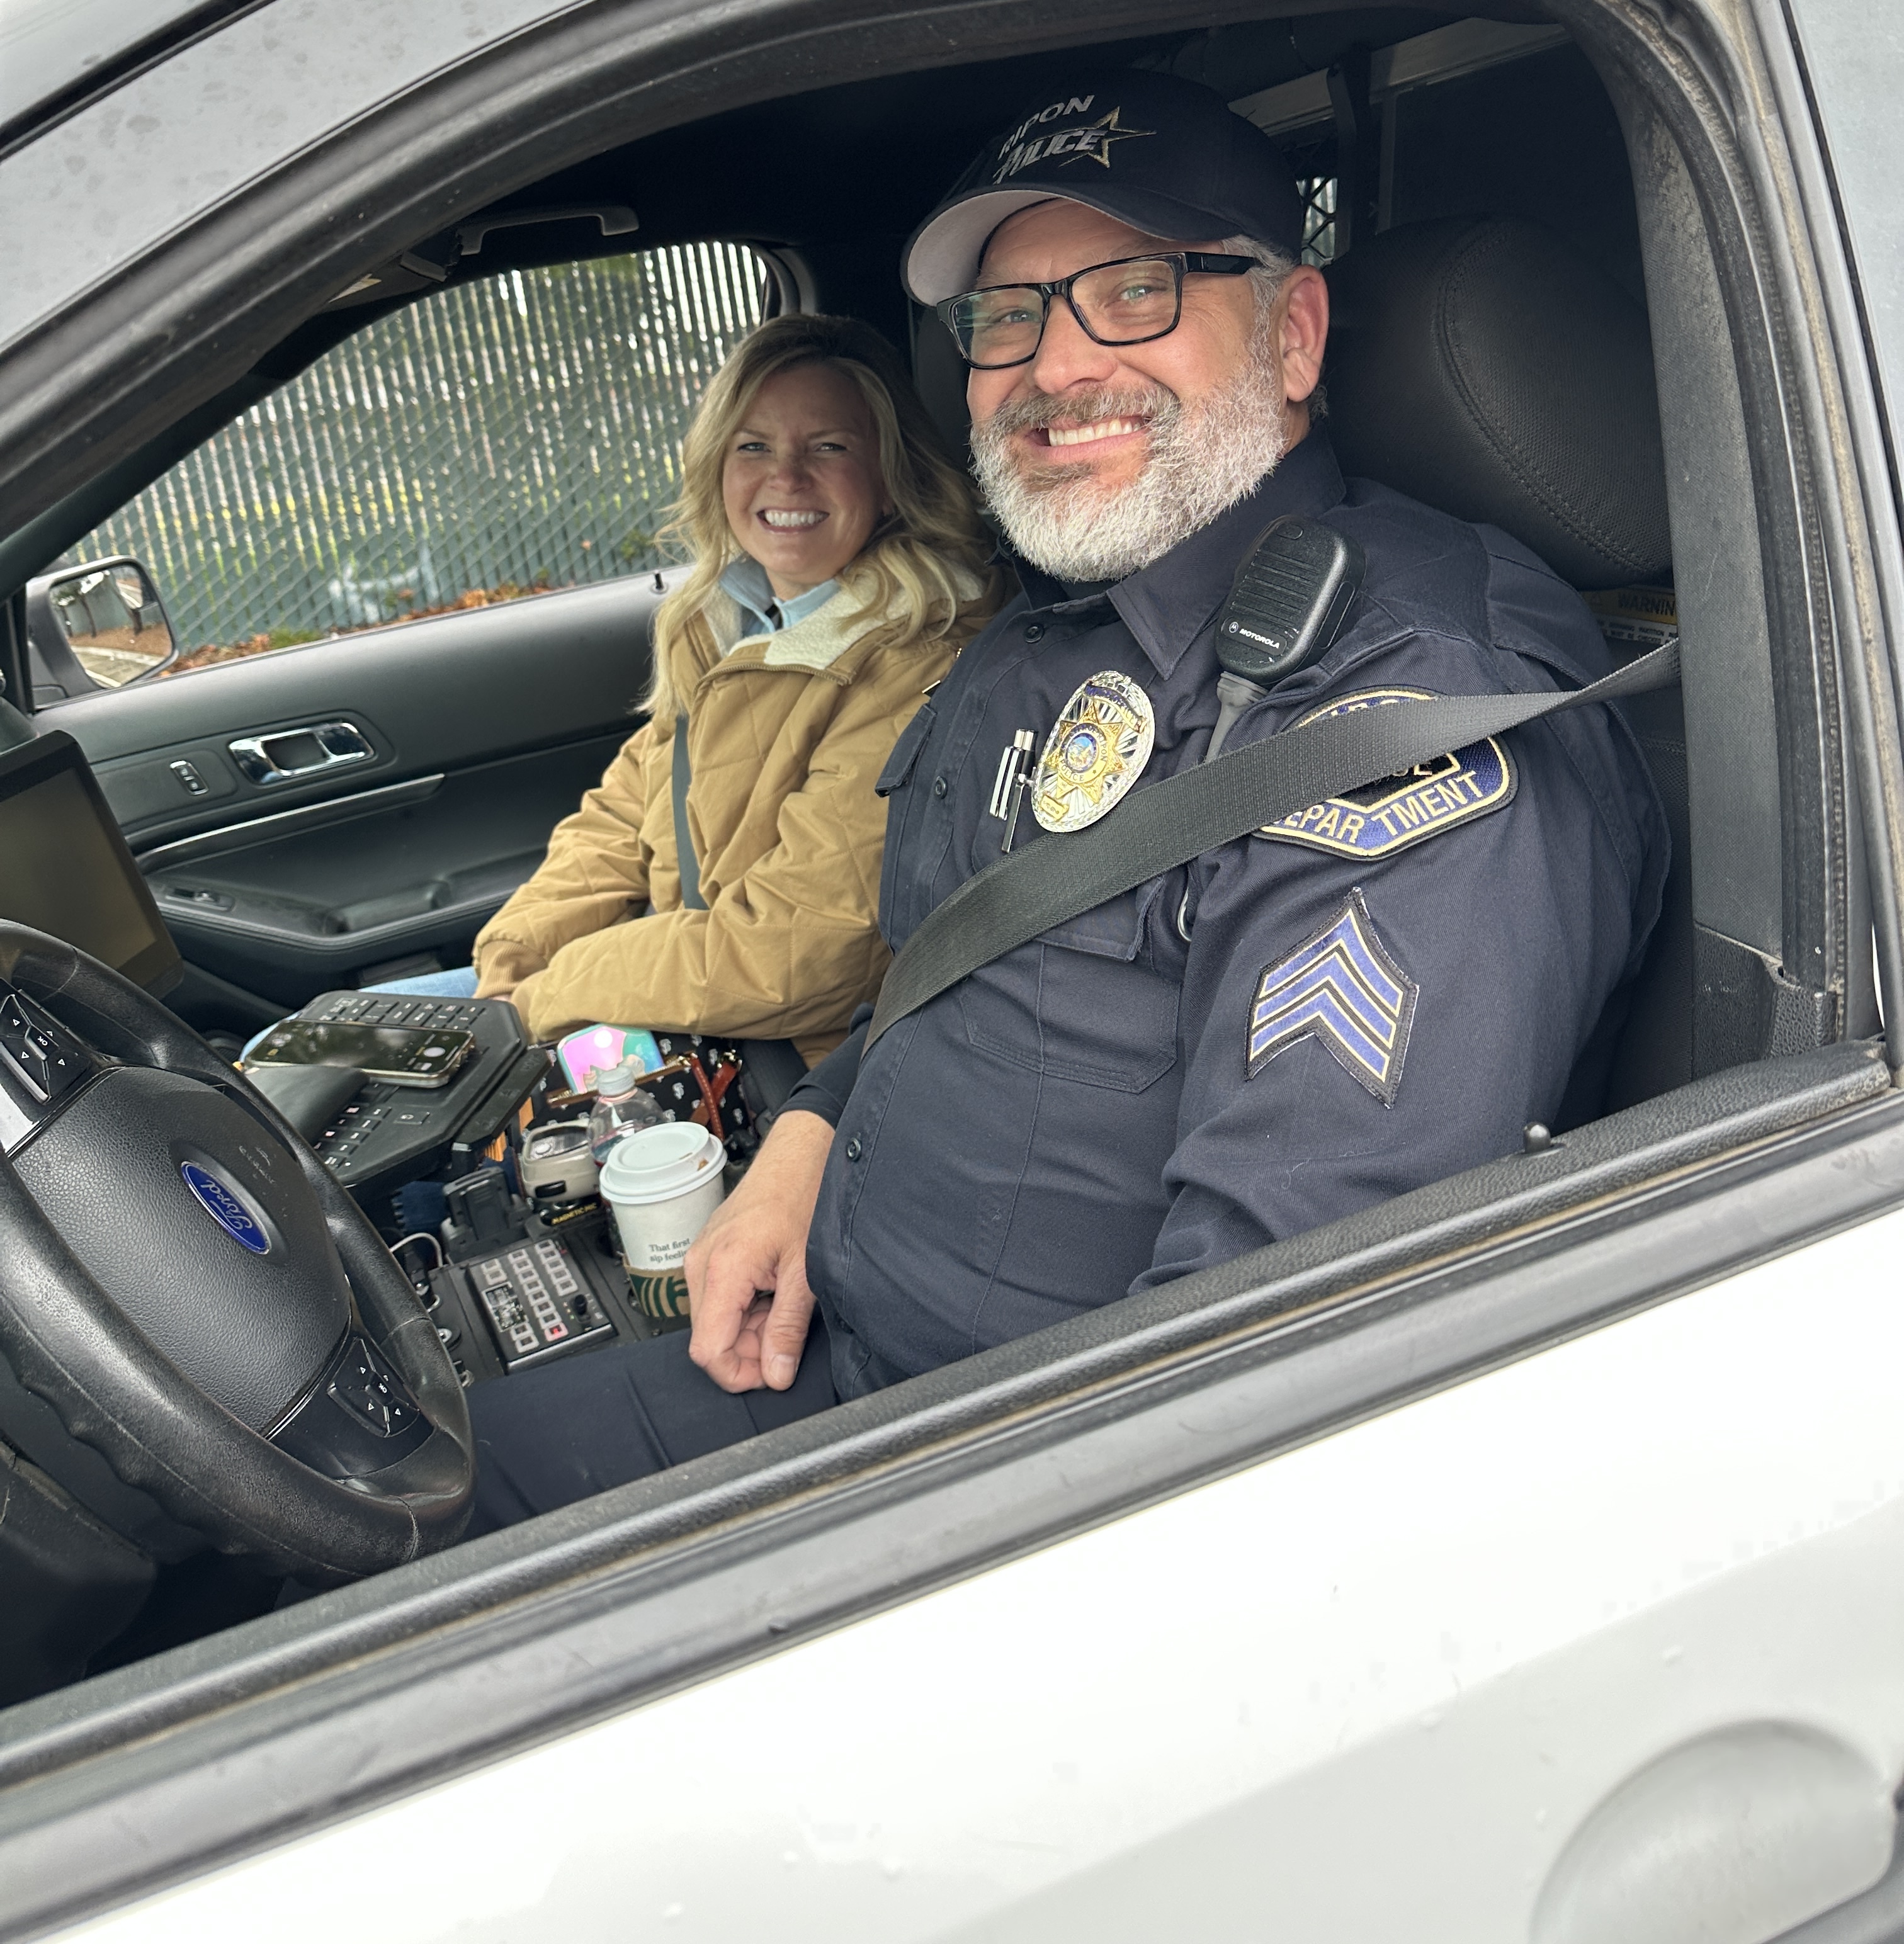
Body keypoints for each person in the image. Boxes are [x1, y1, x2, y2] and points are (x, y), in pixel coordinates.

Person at [465, 73, 1668, 1522]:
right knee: (417, 1480)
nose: (1057, 363)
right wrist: (808, 1142)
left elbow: (1265, 1361)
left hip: (1020, 1484)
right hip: (831, 1335)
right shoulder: (1048, 627)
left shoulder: (1400, 706)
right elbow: (943, 965)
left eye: (1136, 291)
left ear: (1293, 336)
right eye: (1007, 317)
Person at [382, 314, 999, 1061]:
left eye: (829, 447)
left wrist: (542, 998)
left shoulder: (916, 660)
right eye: (753, 446)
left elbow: (796, 951)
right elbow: (620, 816)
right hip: (669, 992)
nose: (786, 477)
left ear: (891, 480)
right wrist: (513, 960)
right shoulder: (723, 623)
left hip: (785, 1058)